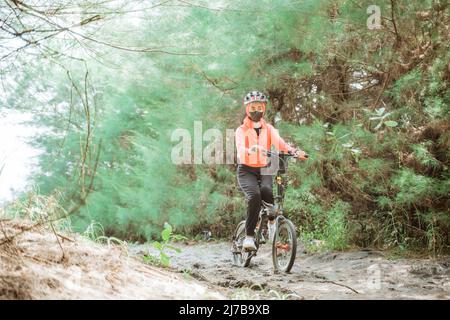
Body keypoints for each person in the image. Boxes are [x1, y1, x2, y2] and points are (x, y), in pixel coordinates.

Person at [235, 90, 307, 251]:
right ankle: (248, 237)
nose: (256, 110)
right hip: (246, 170)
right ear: (247, 109)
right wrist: (250, 149)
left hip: (265, 168)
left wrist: (295, 152)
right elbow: (240, 149)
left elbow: (281, 144)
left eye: (259, 107)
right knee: (254, 196)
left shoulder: (269, 129)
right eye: (253, 107)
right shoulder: (241, 130)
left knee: (267, 191)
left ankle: (272, 225)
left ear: (264, 109)